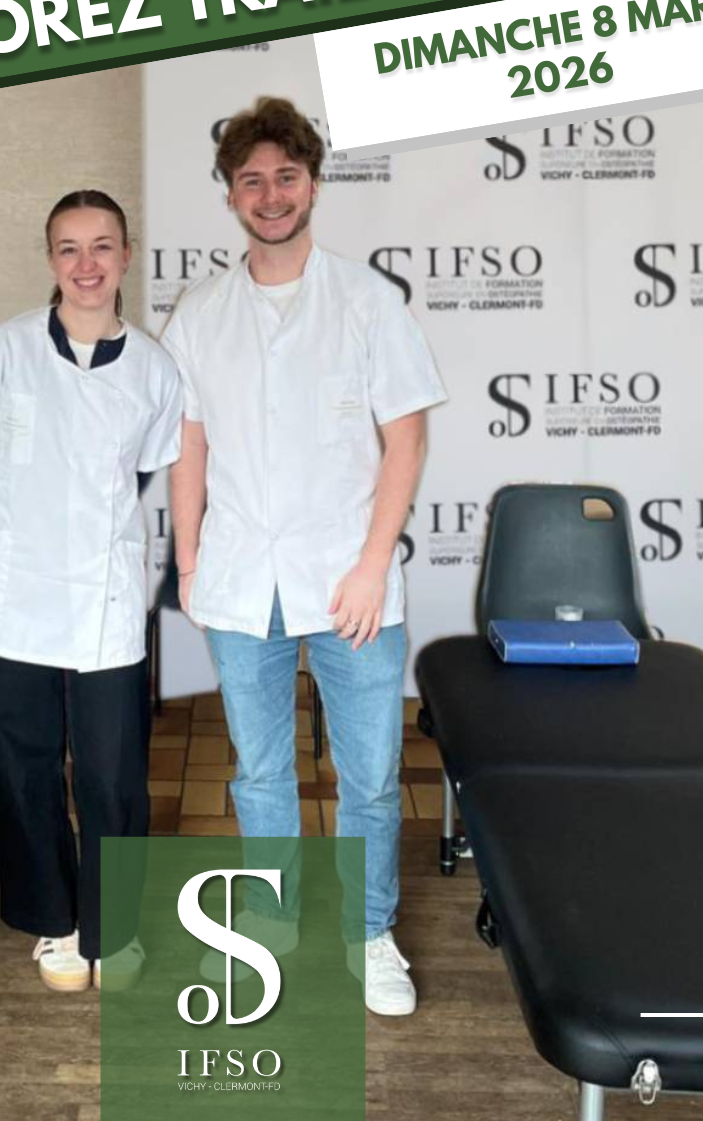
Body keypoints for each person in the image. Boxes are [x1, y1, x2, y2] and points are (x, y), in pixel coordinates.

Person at [162, 99, 447, 1016]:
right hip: (243, 578)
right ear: (230, 196)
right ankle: (270, 924)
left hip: (350, 582)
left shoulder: (366, 301)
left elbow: (405, 441)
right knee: (258, 773)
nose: (271, 195)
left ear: (314, 185)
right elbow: (190, 445)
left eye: (287, 177)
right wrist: (190, 562)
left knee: (369, 778)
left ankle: (369, 932)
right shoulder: (200, 312)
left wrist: (371, 565)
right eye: (252, 181)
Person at [0, 189, 182, 992]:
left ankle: (115, 928)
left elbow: (143, 473)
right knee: (26, 760)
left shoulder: (153, 369)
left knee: (112, 768)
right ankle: (55, 921)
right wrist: (27, 530)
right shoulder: (3, 350)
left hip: (105, 594)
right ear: (51, 259)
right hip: (18, 593)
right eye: (70, 248)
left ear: (125, 256)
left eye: (102, 246)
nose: (87, 264)